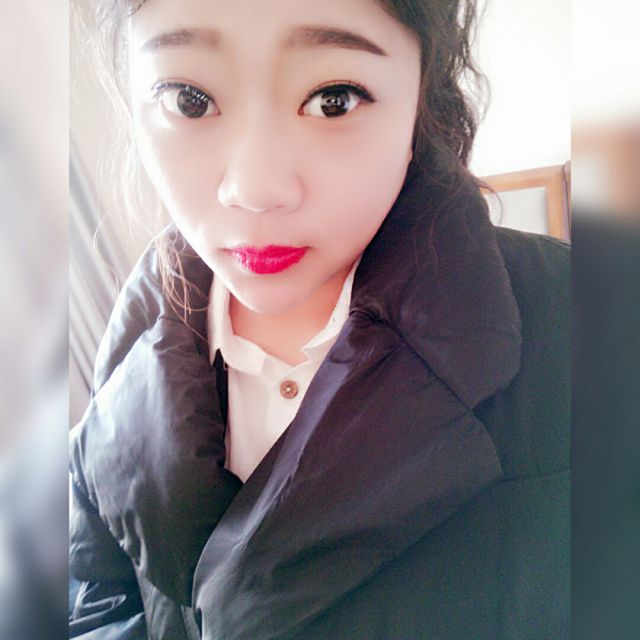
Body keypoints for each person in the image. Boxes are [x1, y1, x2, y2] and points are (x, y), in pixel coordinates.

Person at [69, 0, 570, 638]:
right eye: (189, 100)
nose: (255, 189)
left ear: (422, 92)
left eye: (334, 100)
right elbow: (100, 599)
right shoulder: (130, 337)